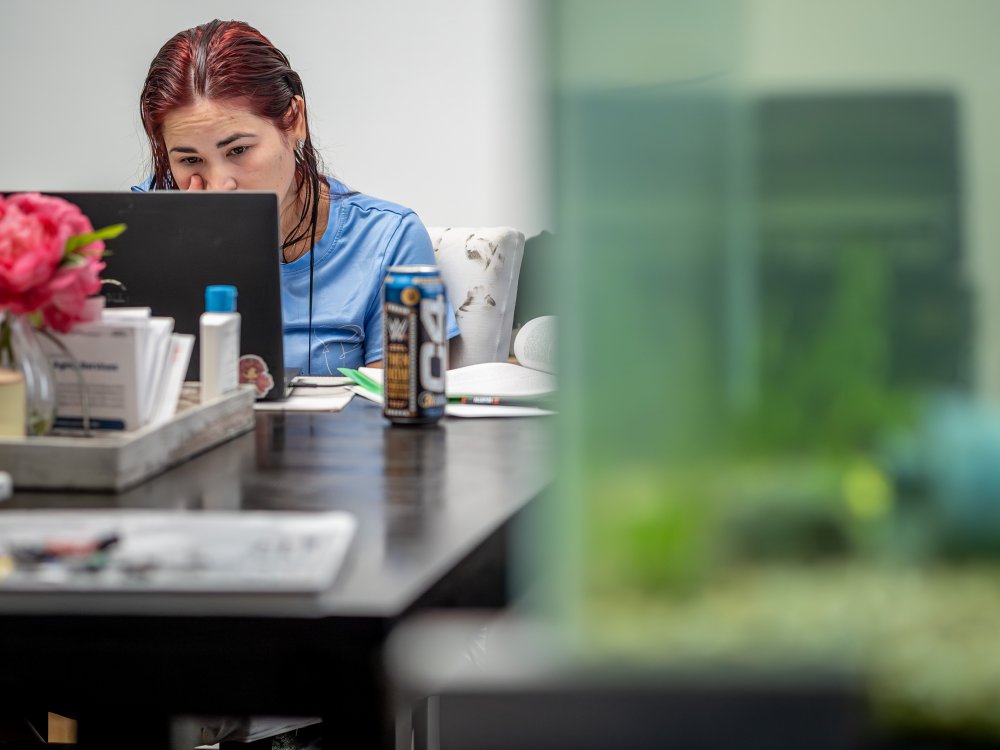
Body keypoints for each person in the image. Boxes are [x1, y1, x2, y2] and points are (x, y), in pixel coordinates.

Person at [136, 18, 460, 375]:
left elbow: (396, 412)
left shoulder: (387, 240)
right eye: (190, 160)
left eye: (238, 150)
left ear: (294, 120)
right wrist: (186, 252)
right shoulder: (140, 231)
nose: (219, 185)